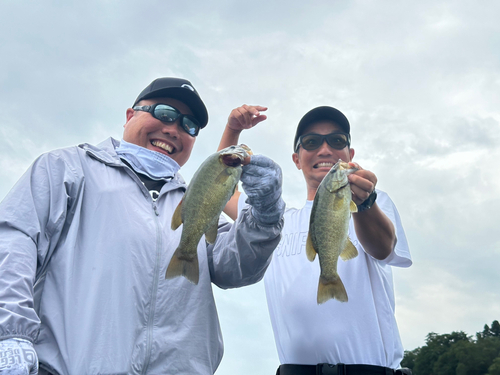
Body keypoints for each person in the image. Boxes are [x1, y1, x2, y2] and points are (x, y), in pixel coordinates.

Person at [0, 78, 285, 375]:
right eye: (164, 113)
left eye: (189, 125)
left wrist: (265, 214)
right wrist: (9, 332)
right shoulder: (67, 168)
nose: (174, 129)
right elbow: (14, 239)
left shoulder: (197, 203)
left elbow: (238, 267)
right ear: (129, 116)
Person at [219, 105, 412, 375]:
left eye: (337, 141)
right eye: (311, 142)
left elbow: (383, 249)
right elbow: (222, 193)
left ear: (350, 154)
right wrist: (233, 131)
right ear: (297, 159)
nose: (325, 150)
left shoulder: (372, 202)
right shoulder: (272, 221)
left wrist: (366, 204)